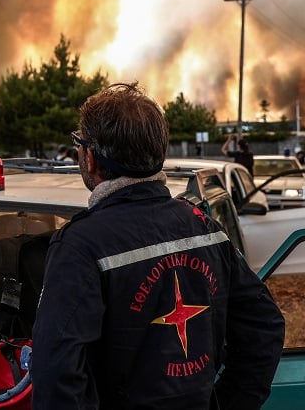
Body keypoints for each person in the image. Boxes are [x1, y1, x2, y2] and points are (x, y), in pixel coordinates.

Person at [33, 83, 285, 409]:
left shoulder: (80, 247)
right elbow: (265, 326)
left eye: (79, 144)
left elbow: (56, 375)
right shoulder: (206, 230)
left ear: (90, 158)